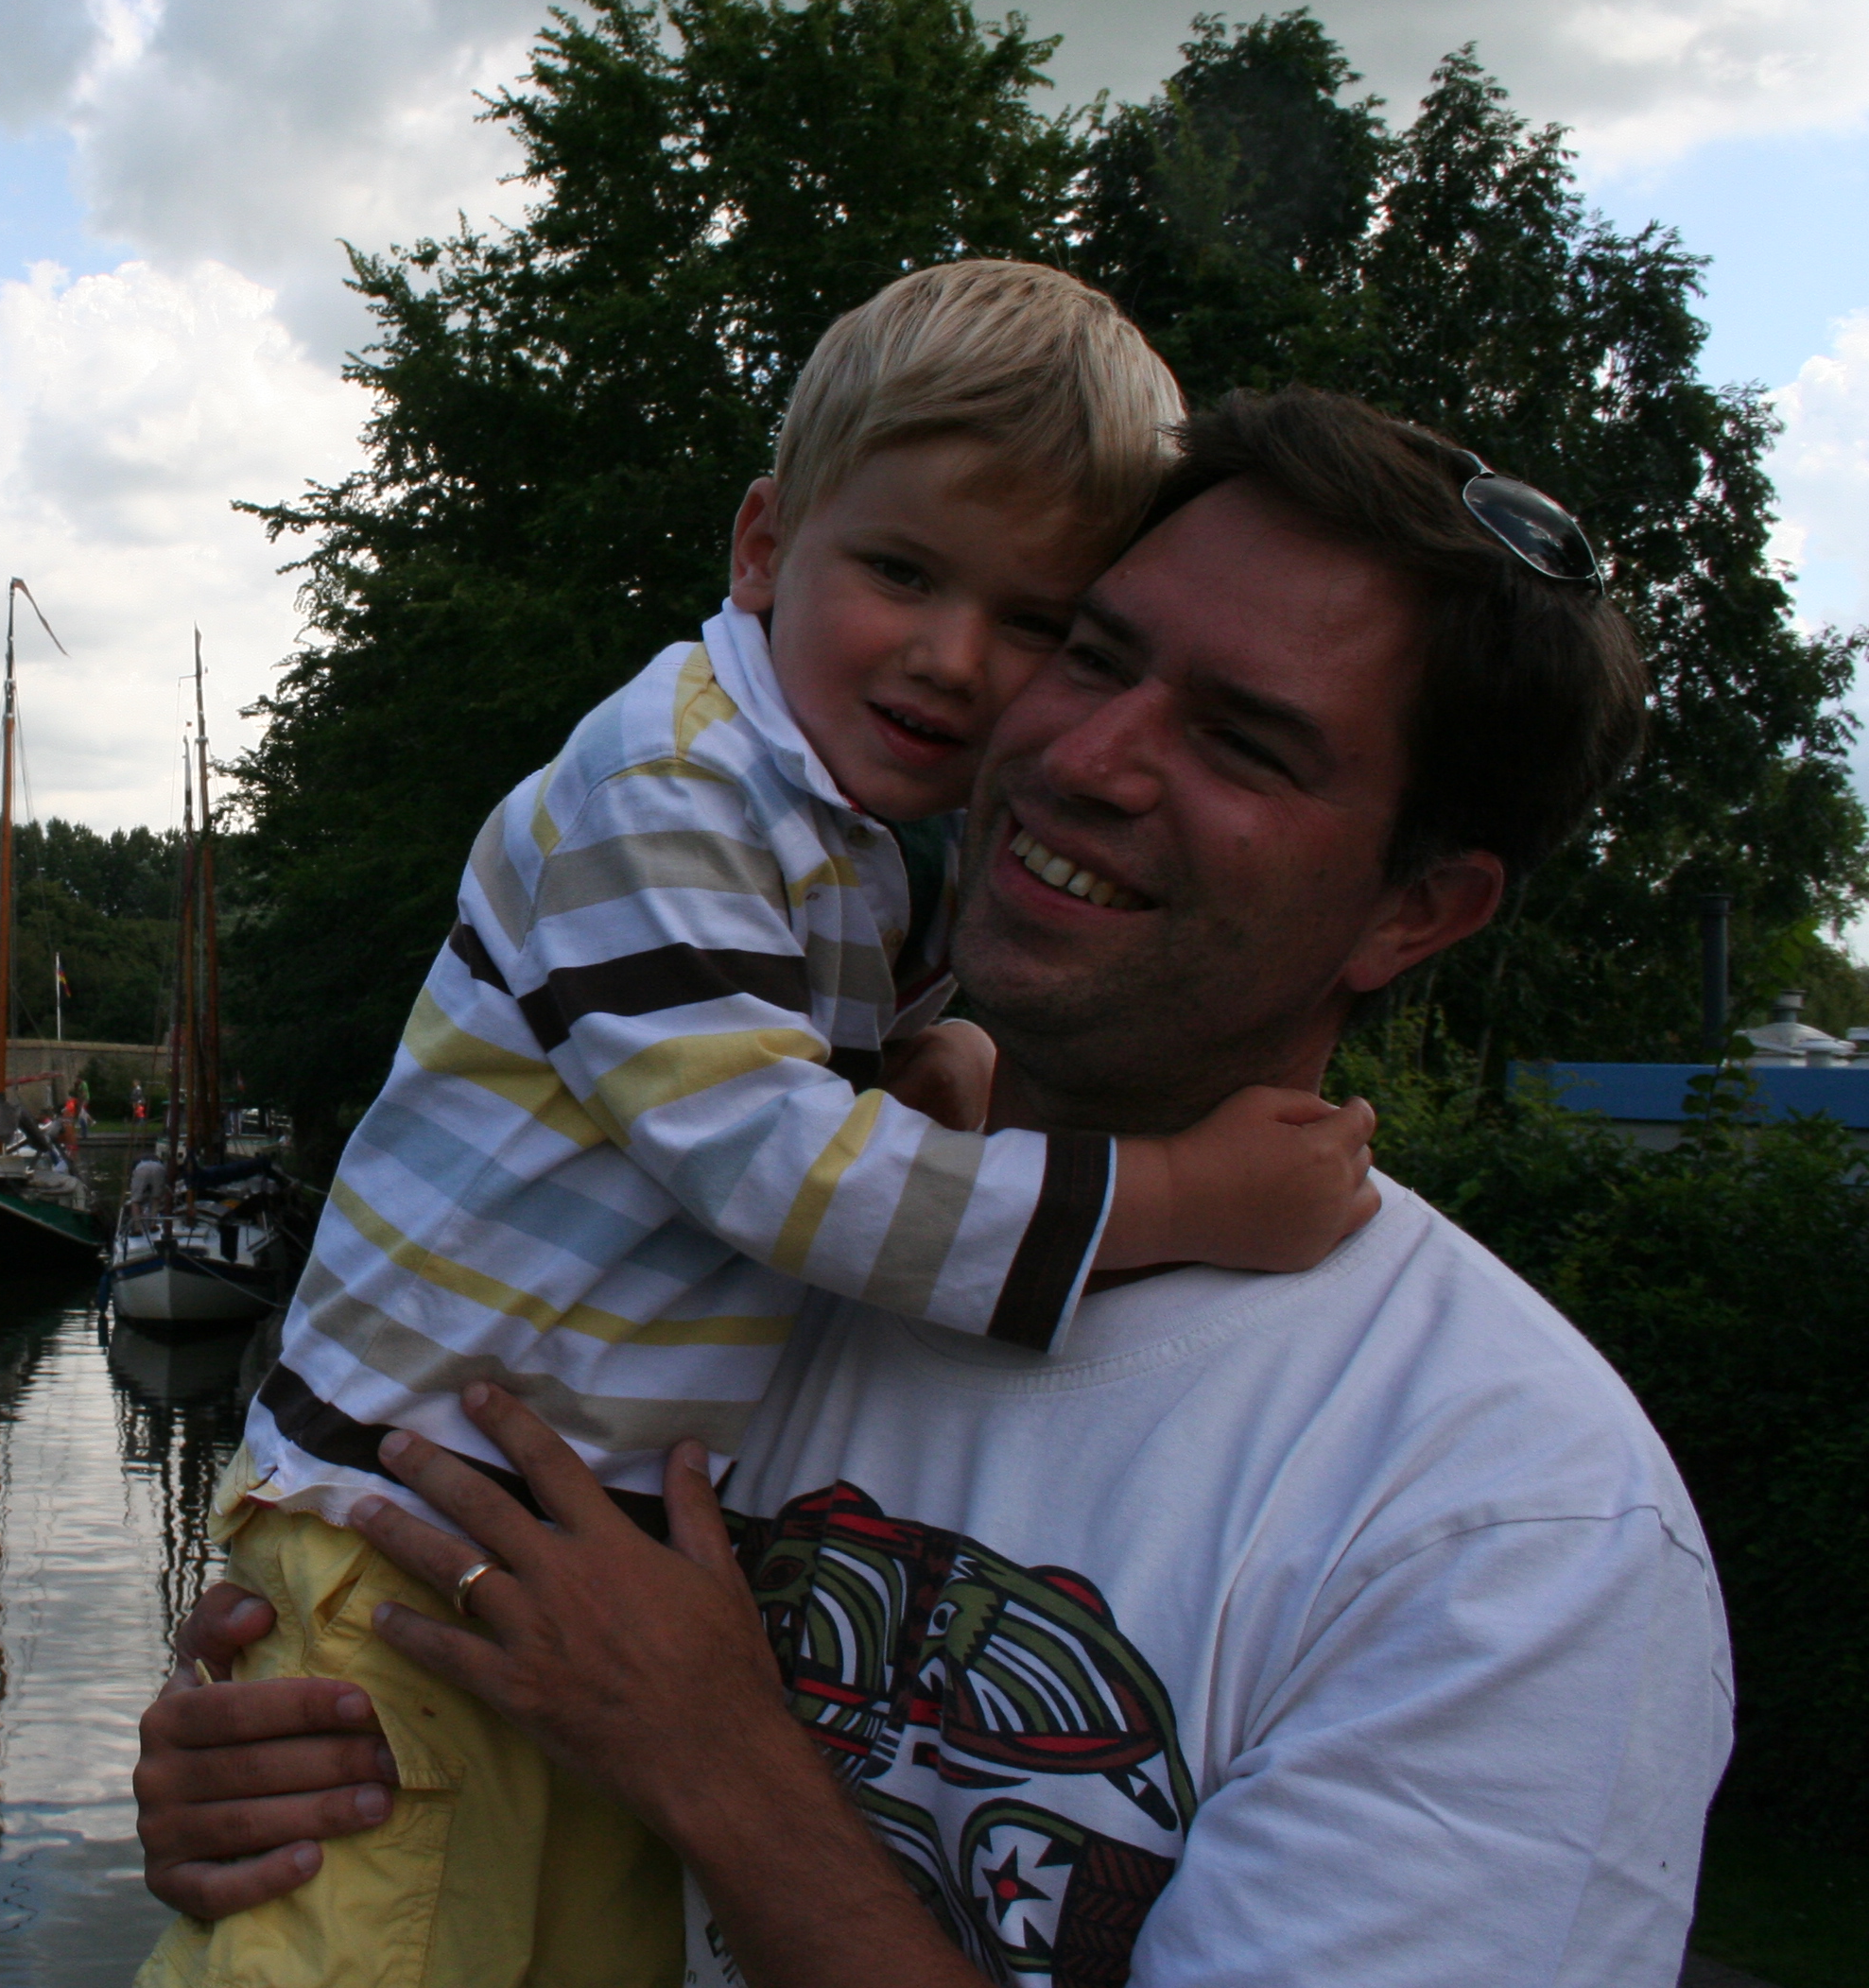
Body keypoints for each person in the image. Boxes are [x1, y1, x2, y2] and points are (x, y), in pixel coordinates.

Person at [134, 389, 1729, 1987]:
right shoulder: (729, 1234)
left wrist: (717, 1765)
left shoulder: (1499, 1520)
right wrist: (293, 1764)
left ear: (1417, 912)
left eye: (1243, 743)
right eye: (1090, 652)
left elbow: (668, 1740)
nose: (1084, 756)